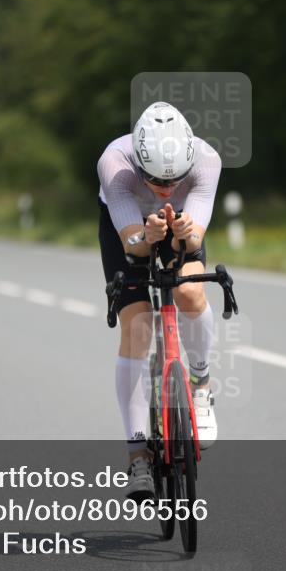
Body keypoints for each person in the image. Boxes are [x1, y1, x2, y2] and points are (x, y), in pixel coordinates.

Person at [98, 101, 222, 501]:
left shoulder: (206, 160)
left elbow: (196, 240)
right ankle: (137, 453)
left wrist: (184, 233)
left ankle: (201, 384)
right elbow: (131, 245)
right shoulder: (115, 163)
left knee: (189, 290)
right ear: (139, 163)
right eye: (155, 181)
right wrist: (146, 237)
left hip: (180, 222)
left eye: (175, 181)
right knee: (137, 326)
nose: (166, 189)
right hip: (130, 229)